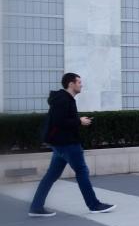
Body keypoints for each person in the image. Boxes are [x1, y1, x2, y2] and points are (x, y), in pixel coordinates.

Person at [29, 73, 116, 217]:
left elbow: (62, 120)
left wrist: (78, 120)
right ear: (71, 84)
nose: (81, 85)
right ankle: (94, 205)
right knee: (82, 172)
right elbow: (59, 121)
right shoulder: (63, 99)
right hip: (68, 144)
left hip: (60, 145)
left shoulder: (64, 98)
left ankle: (36, 207)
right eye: (79, 82)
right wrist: (79, 121)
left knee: (51, 175)